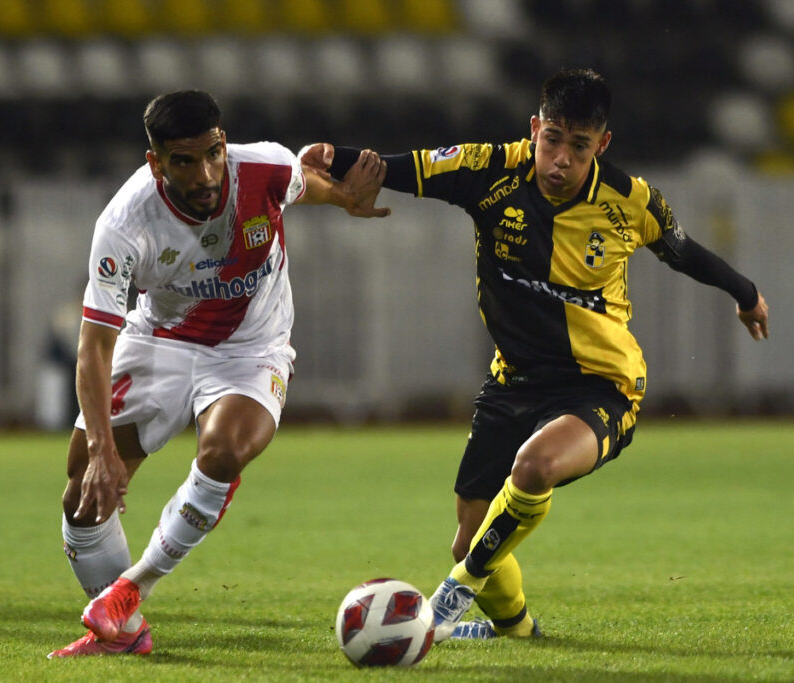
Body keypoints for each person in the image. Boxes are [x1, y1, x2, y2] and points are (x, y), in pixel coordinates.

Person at [304, 68, 769, 642]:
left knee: (534, 467)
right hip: (514, 383)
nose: (560, 161)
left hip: (602, 386)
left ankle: (452, 596)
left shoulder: (630, 201)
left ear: (602, 145)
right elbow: (406, 167)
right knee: (472, 531)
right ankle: (517, 630)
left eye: (578, 147)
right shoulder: (491, 170)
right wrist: (332, 157)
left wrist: (746, 295)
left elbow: (683, 252)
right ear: (534, 129)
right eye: (552, 140)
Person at [49, 90, 389, 658]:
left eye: (212, 153)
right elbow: (93, 350)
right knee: (83, 495)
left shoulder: (265, 167)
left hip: (251, 348)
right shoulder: (123, 223)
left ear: (224, 143)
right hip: (161, 340)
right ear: (156, 161)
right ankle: (124, 636)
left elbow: (304, 183)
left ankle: (131, 590)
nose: (205, 173)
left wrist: (345, 201)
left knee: (225, 450)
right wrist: (104, 449)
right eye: (184, 161)